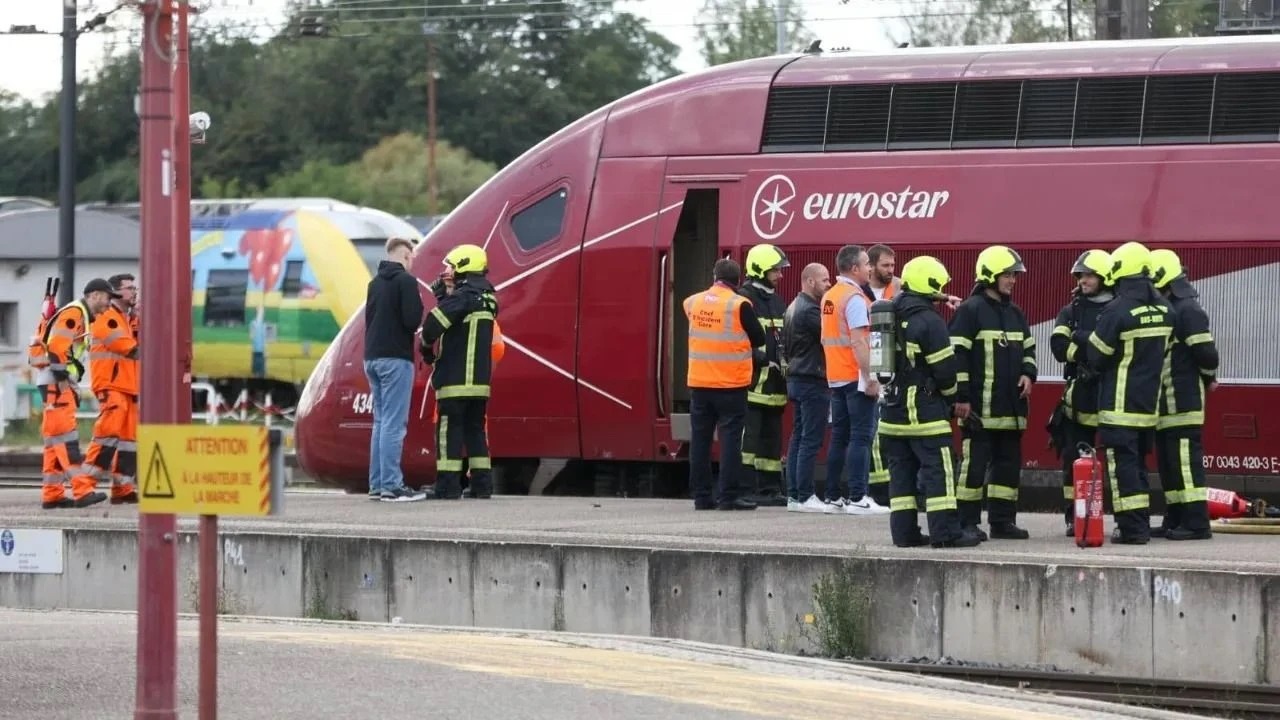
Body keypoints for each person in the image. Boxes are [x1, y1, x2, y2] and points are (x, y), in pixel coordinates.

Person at [879, 256, 981, 548]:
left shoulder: (888, 313)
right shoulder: (930, 321)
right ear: (930, 284)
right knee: (940, 473)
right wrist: (953, 399)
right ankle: (945, 533)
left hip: (892, 414)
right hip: (924, 414)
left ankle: (904, 534)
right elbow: (945, 371)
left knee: (901, 478)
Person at [1084, 240, 1172, 545]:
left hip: (1118, 407)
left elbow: (1096, 355)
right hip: (1148, 409)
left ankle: (1132, 530)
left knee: (1123, 471)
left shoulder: (1118, 309)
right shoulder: (1164, 309)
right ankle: (1142, 524)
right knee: (1138, 469)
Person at [949, 245, 1035, 541]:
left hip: (1011, 411)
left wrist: (1028, 372)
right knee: (973, 469)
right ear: (989, 276)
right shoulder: (969, 311)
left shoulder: (1015, 313)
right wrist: (961, 397)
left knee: (1007, 470)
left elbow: (1029, 348)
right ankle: (966, 522)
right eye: (1007, 275)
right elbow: (956, 355)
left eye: (1014, 275)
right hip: (979, 411)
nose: (1012, 280)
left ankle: (1002, 522)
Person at [683, 258, 766, 511]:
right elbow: (758, 337)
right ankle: (728, 497)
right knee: (730, 441)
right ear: (738, 280)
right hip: (731, 384)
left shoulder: (693, 302)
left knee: (700, 440)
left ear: (714, 275)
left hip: (699, 383)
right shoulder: (739, 304)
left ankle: (701, 497)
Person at [420, 243, 500, 500]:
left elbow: (432, 325)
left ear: (464, 266)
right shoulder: (488, 299)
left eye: (451, 267)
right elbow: (460, 324)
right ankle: (481, 486)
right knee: (475, 431)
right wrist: (448, 298)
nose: (447, 272)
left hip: (455, 379)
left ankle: (447, 487)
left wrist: (426, 350)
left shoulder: (463, 297)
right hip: (479, 383)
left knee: (448, 431)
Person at [1150, 248, 1217, 541]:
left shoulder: (1187, 309)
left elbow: (1207, 354)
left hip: (1183, 403)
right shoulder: (1171, 307)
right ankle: (1175, 518)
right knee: (1170, 466)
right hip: (1166, 404)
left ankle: (1196, 523)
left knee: (1186, 466)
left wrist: (1208, 377)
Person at [31, 279, 114, 509]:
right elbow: (56, 347)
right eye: (108, 299)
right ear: (95, 295)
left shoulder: (79, 315)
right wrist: (64, 380)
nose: (108, 305)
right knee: (66, 439)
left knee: (53, 442)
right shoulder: (75, 314)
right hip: (57, 384)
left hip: (51, 383)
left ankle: (52, 494)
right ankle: (82, 491)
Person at [819, 245, 890, 515]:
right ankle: (859, 496)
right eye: (866, 263)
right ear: (854, 268)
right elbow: (860, 342)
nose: (870, 268)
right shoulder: (855, 299)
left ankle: (833, 496)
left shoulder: (831, 296)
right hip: (855, 376)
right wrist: (870, 377)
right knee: (861, 438)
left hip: (836, 376)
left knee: (839, 438)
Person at [1049, 250, 1114, 535]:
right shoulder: (1071, 310)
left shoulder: (1117, 309)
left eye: (1088, 275)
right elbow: (1058, 346)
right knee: (1072, 460)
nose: (1083, 280)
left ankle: (1114, 516)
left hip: (1110, 395)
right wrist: (1087, 355)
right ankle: (1073, 517)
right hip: (1077, 400)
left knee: (1116, 459)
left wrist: (1084, 343)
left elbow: (1115, 349)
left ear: (1104, 277)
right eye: (1081, 276)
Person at [363, 237, 428, 502]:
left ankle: (378, 484)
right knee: (393, 423)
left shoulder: (374, 283)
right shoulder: (406, 282)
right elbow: (413, 321)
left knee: (380, 422)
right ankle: (392, 485)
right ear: (406, 256)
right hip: (396, 358)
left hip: (372, 358)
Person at [71, 273, 141, 504]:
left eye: (134, 288)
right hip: (112, 386)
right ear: (115, 292)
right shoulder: (107, 317)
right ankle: (83, 487)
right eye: (129, 288)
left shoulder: (124, 318)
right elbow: (127, 347)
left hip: (126, 386)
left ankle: (123, 488)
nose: (134, 292)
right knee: (106, 437)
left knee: (128, 441)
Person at [738, 243, 790, 507]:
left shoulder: (776, 301)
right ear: (759, 270)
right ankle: (746, 488)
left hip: (775, 385)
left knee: (771, 439)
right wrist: (759, 359)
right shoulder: (744, 299)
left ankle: (770, 488)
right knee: (748, 441)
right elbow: (736, 340)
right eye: (775, 271)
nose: (780, 276)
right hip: (751, 384)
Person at [781, 262, 832, 512]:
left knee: (798, 437)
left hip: (797, 378)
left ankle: (794, 496)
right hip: (812, 379)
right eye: (824, 280)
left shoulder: (792, 307)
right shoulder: (811, 311)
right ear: (810, 281)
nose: (829, 284)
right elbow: (831, 337)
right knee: (810, 439)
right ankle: (805, 495)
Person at [862, 244, 900, 507]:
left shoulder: (898, 287)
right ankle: (877, 491)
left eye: (892, 265)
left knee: (886, 433)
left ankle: (889, 491)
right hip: (867, 370)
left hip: (893, 369)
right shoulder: (857, 291)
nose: (890, 270)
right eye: (885, 265)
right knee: (871, 435)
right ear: (872, 266)